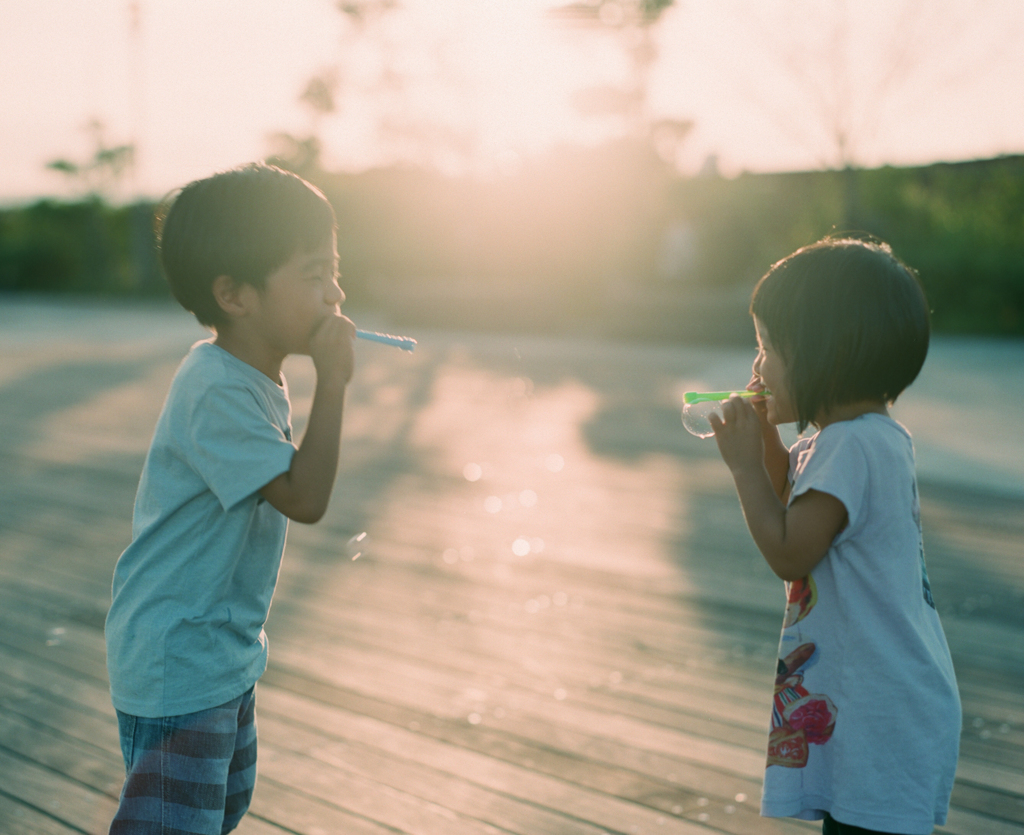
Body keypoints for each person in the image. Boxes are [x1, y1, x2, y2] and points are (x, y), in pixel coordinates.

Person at [104, 163, 355, 833]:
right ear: (235, 295)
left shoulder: (249, 377)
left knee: (218, 810)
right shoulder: (216, 387)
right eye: (311, 274)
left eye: (333, 269)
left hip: (220, 652)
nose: (333, 293)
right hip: (177, 659)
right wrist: (334, 384)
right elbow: (304, 497)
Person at [708, 237, 961, 835]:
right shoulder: (861, 438)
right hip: (885, 700)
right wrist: (766, 443)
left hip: (881, 712)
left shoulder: (850, 446)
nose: (758, 366)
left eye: (768, 347)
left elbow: (791, 550)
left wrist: (744, 466)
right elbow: (793, 508)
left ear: (822, 354)